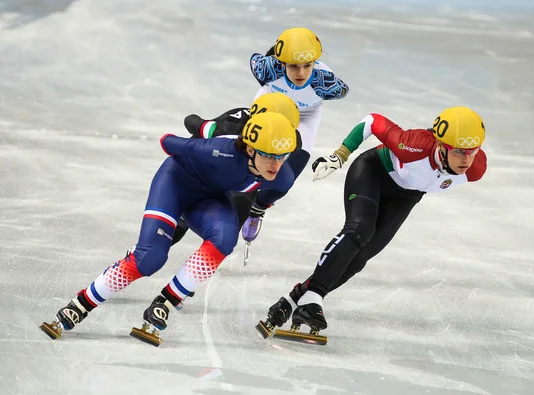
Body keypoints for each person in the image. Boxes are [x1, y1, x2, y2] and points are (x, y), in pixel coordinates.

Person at [40, 112, 298, 346]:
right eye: (267, 155)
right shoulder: (223, 150)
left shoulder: (283, 177)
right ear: (250, 148)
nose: (275, 164)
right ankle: (81, 304)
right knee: (150, 259)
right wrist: (205, 137)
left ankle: (166, 301)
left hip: (209, 200)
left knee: (225, 239)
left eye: (281, 156)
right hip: (175, 183)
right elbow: (167, 142)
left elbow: (267, 198)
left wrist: (258, 209)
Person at [257, 106, 488, 341]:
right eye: (459, 151)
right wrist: (340, 155)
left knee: (359, 258)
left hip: (406, 196)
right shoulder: (414, 145)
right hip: (373, 172)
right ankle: (314, 296)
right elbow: (372, 121)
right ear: (441, 145)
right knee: (359, 229)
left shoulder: (476, 168)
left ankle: (292, 301)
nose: (467, 159)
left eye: (472, 151)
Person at [241, 27, 349, 245]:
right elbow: (254, 60)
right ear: (282, 63)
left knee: (285, 178)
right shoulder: (268, 69)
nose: (301, 73)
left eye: (307, 66)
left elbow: (343, 90)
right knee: (249, 157)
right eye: (293, 66)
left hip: (306, 116)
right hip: (272, 105)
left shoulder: (324, 81)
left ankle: (259, 207)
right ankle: (234, 192)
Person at [171, 92, 302, 246]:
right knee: (177, 228)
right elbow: (192, 123)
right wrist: (206, 129)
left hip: (244, 177)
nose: (283, 133)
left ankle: (199, 266)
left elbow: (285, 178)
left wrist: (261, 205)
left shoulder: (292, 137)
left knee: (229, 233)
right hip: (206, 171)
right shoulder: (231, 126)